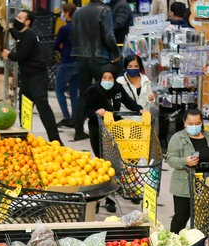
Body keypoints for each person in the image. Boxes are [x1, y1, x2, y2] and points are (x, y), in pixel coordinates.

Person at [2, 10, 63, 144]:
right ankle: (25, 138)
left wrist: (9, 55)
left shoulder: (29, 34)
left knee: (43, 109)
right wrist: (12, 30)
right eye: (17, 17)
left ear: (27, 22)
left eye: (20, 18)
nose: (16, 20)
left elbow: (22, 54)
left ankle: (56, 141)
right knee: (25, 108)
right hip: (27, 78)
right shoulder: (22, 33)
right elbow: (17, 35)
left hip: (37, 78)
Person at [70, 0, 121, 141]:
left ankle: (78, 130)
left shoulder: (78, 12)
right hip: (99, 55)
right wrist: (116, 52)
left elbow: (72, 34)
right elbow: (109, 35)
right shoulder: (105, 10)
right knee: (106, 92)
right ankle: (111, 130)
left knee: (84, 94)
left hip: (80, 56)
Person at [83, 65, 142, 158]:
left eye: (110, 78)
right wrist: (96, 113)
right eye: (104, 78)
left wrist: (139, 109)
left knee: (120, 152)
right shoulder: (93, 90)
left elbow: (128, 102)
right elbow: (86, 110)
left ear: (114, 78)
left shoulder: (118, 88)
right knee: (101, 154)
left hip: (115, 124)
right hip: (97, 125)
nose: (107, 80)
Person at [53, 3, 79, 128]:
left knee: (59, 89)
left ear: (68, 13)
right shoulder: (80, 27)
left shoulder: (64, 29)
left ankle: (66, 117)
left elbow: (56, 45)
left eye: (63, 12)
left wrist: (62, 48)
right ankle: (75, 118)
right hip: (78, 62)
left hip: (66, 61)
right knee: (74, 90)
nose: (62, 15)